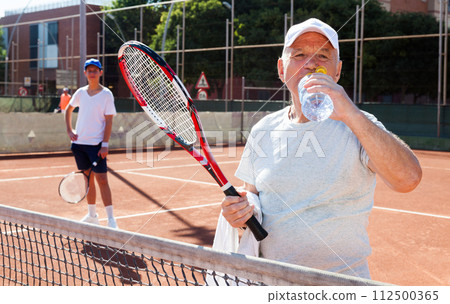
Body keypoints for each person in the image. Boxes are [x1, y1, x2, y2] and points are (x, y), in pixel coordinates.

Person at [220, 18, 422, 279]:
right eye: (300, 54)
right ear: (282, 69)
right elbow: (253, 202)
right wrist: (238, 214)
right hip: (271, 286)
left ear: (337, 71)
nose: (311, 63)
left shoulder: (360, 125)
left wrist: (350, 113)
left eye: (323, 56)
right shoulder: (263, 130)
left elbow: (408, 179)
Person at [65, 58, 118, 229]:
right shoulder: (80, 92)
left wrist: (105, 144)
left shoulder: (106, 95)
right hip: (79, 145)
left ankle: (111, 220)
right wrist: (69, 130)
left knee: (102, 180)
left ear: (100, 72)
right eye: (89, 70)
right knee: (88, 180)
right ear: (85, 73)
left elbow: (109, 121)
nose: (92, 73)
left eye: (95, 70)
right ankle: (92, 215)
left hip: (97, 146)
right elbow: (68, 109)